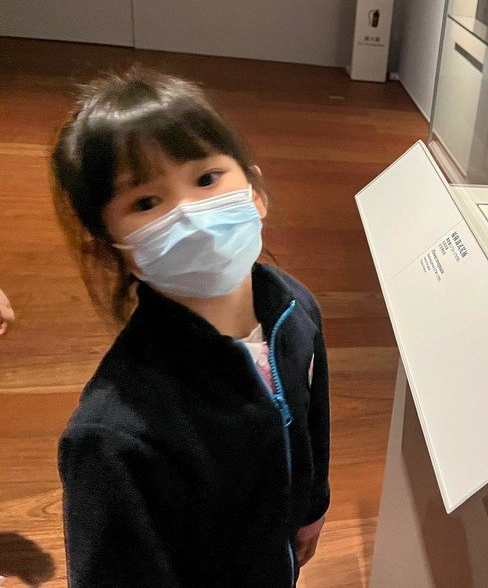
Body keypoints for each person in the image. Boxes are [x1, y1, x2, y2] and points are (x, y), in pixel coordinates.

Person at [50, 68, 329, 587]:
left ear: (256, 191)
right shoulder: (112, 437)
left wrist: (312, 507)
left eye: (206, 179)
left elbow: (313, 419)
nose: (192, 214)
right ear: (112, 250)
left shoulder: (295, 307)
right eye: (145, 202)